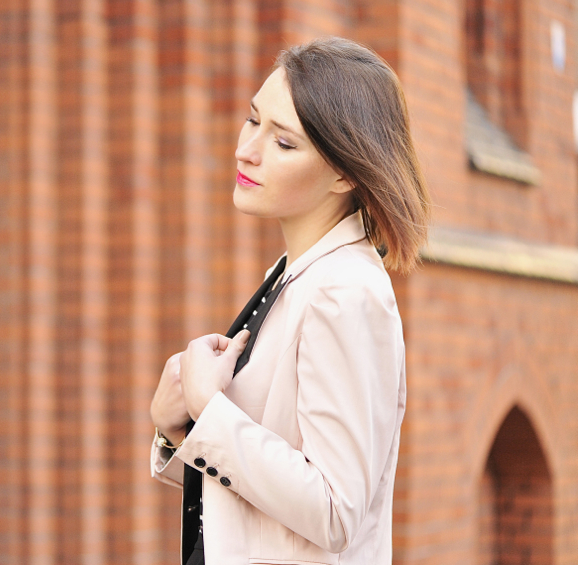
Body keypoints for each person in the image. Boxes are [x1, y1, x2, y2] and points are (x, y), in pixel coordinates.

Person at [149, 37, 430, 565]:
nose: (246, 150)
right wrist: (177, 428)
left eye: (283, 142)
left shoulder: (346, 293)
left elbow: (335, 512)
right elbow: (262, 513)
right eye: (253, 120)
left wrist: (209, 410)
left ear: (344, 173)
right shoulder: (296, 274)